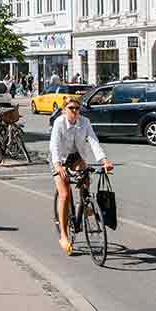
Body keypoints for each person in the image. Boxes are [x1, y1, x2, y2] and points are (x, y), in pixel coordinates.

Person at [49, 96, 113, 255]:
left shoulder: (84, 122)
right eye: (71, 108)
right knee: (64, 194)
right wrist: (57, 165)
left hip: (76, 157)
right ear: (65, 110)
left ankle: (85, 206)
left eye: (77, 108)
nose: (75, 111)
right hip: (59, 159)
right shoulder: (59, 123)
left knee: (85, 178)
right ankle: (64, 235)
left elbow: (93, 141)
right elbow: (54, 145)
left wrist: (104, 160)